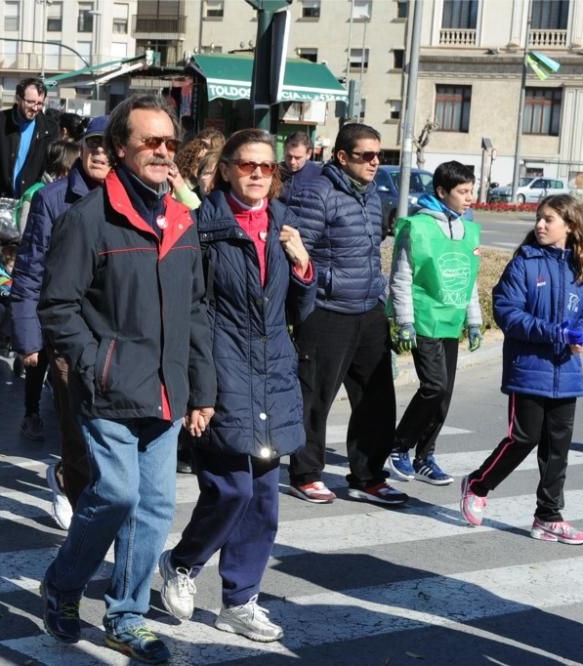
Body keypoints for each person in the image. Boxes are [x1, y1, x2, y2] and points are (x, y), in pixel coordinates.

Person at [37, 95, 216, 663]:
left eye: (170, 142)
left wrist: (201, 389)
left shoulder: (183, 218)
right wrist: (94, 364)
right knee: (116, 493)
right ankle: (64, 584)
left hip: (166, 391)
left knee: (155, 509)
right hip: (109, 386)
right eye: (151, 143)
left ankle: (126, 616)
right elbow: (58, 305)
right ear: (120, 149)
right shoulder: (89, 219)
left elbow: (196, 309)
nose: (164, 152)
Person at [159, 128, 315, 643]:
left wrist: (303, 267)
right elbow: (189, 311)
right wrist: (197, 389)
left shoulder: (282, 224)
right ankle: (182, 562)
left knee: (265, 498)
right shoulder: (203, 226)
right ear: (225, 169)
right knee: (232, 488)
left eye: (266, 167)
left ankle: (240, 601)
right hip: (222, 372)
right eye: (246, 165)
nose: (256, 174)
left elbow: (298, 311)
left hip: (273, 375)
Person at [460, 194, 583, 545]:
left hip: (566, 371)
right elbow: (508, 312)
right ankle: (478, 485)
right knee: (522, 438)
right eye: (539, 218)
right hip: (529, 367)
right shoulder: (525, 262)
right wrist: (554, 332)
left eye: (548, 219)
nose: (539, 224)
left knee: (557, 447)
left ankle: (548, 516)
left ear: (569, 226)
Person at [286, 123, 408, 506]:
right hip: (327, 311)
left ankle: (368, 476)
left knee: (377, 398)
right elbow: (295, 249)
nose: (375, 163)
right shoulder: (317, 194)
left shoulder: (371, 196)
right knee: (316, 397)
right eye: (366, 156)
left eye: (380, 156)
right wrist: (316, 294)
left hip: (368, 309)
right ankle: (306, 474)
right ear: (342, 157)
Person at [11, 115, 110, 529]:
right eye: (93, 145)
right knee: (76, 423)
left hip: (115, 329)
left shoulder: (135, 194)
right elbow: (31, 267)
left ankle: (93, 488)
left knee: (108, 426)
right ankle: (71, 481)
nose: (100, 154)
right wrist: (27, 336)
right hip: (68, 329)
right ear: (81, 148)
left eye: (109, 146)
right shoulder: (53, 199)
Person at [388, 161, 483, 485]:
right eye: (463, 191)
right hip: (424, 319)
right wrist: (404, 322)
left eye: (472, 190)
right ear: (442, 192)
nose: (470, 197)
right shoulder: (417, 227)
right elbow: (401, 278)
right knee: (434, 386)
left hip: (451, 321)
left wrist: (474, 321)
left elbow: (469, 279)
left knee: (445, 394)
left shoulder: (469, 229)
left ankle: (425, 455)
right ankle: (399, 446)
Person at [0, 78, 58, 207]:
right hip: (1, 200)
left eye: (40, 103)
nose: (35, 108)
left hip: (34, 202)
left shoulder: (50, 128)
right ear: (18, 98)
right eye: (30, 102)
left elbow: (55, 168)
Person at [277, 131, 322, 204]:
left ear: (308, 154)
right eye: (289, 156)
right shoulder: (276, 171)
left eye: (297, 158)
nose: (292, 162)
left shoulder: (320, 175)